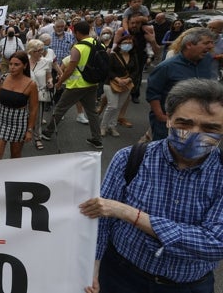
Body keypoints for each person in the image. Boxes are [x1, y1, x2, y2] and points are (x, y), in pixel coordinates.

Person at [80, 78, 223, 293]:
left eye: (210, 127)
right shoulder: (130, 158)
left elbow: (214, 244)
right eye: (184, 123)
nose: (194, 133)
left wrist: (131, 214)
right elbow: (102, 219)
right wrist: (94, 264)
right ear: (168, 120)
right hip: (121, 275)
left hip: (189, 285)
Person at [41, 21, 103, 149]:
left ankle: (48, 132)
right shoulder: (99, 44)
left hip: (76, 85)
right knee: (92, 112)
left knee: (60, 109)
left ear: (77, 33)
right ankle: (97, 139)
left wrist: (59, 83)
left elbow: (69, 69)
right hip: (92, 83)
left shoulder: (78, 48)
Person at [146, 27, 216, 141]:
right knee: (166, 152)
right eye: (206, 43)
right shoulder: (166, 67)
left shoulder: (207, 60)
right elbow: (153, 93)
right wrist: (161, 117)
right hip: (170, 122)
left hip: (198, 120)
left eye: (212, 43)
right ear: (189, 45)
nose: (211, 47)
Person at [0, 51, 38, 159]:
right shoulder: (3, 78)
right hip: (1, 118)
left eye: (16, 64)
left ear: (24, 66)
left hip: (19, 122)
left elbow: (33, 109)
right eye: (10, 64)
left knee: (15, 155)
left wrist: (29, 130)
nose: (12, 67)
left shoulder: (31, 84)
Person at [100, 35, 139, 138]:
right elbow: (108, 70)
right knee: (112, 105)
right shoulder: (113, 55)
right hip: (111, 83)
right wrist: (117, 79)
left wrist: (128, 79)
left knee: (118, 107)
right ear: (120, 44)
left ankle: (112, 126)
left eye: (130, 43)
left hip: (126, 84)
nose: (128, 45)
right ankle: (103, 126)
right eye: (125, 42)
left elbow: (136, 71)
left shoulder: (134, 56)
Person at [27, 39, 53, 150]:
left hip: (39, 93)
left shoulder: (46, 62)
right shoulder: (24, 61)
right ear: (31, 51)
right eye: (38, 50)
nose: (41, 52)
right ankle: (23, 134)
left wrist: (50, 81)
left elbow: (49, 76)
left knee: (37, 117)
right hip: (24, 93)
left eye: (42, 50)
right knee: (23, 115)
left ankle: (37, 137)